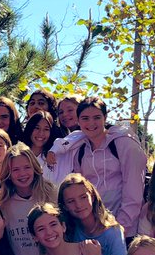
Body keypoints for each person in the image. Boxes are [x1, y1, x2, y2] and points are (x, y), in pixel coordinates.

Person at [45, 97, 147, 236]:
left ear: (105, 117)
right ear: (78, 120)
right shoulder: (80, 150)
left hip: (125, 230)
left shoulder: (124, 144)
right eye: (85, 118)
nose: (91, 123)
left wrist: (119, 229)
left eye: (97, 117)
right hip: (93, 230)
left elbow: (133, 193)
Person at [57, 174, 127, 255]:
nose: (78, 205)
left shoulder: (113, 232)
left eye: (83, 197)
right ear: (64, 206)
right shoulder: (68, 231)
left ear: (92, 197)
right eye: (71, 201)